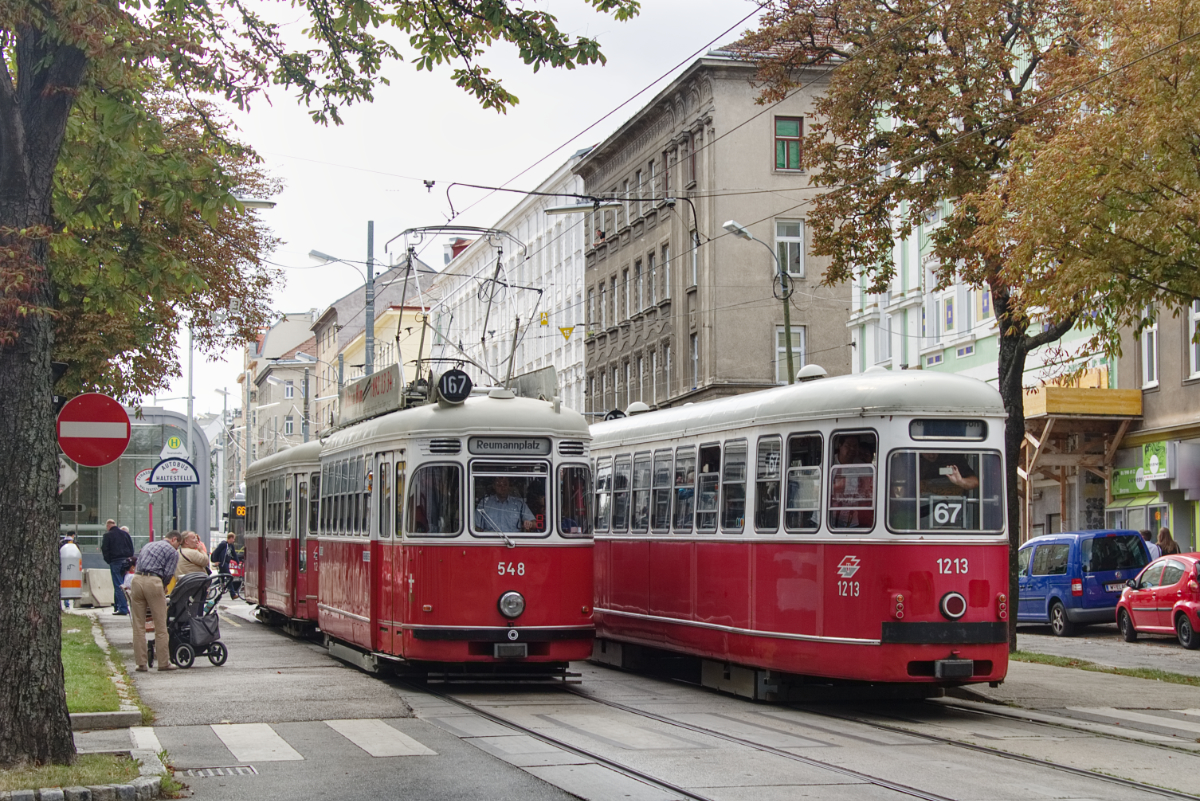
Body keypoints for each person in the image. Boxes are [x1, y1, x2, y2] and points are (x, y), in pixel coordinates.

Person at [130, 530, 182, 672]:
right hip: (154, 581)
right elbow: (169, 573)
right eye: (178, 544)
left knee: (138, 626)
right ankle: (164, 662)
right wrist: (163, 586)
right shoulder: (172, 552)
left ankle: (141, 664)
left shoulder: (148, 545)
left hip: (137, 580)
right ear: (174, 540)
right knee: (160, 625)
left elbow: (138, 563)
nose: (177, 548)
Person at [101, 518, 134, 616]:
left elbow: (105, 549)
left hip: (115, 561)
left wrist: (109, 561)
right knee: (126, 583)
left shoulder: (107, 535)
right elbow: (131, 548)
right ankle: (124, 606)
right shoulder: (125, 534)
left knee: (118, 585)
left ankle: (122, 608)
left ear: (108, 526)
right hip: (126, 561)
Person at [211, 533, 242, 599]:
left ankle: (210, 588)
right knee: (229, 577)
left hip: (227, 563)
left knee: (221, 578)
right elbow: (216, 552)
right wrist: (216, 561)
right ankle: (232, 594)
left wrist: (238, 562)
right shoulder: (223, 544)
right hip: (222, 563)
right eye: (233, 539)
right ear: (230, 538)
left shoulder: (231, 546)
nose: (234, 540)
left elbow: (234, 554)